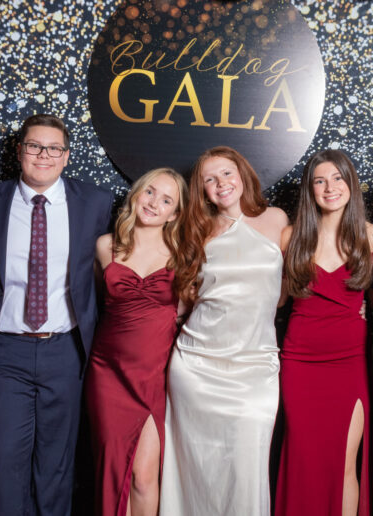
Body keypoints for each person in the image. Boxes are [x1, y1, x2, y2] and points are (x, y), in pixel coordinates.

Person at [0, 113, 113, 516]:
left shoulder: (96, 203)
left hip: (65, 351)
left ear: (66, 156)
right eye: (34, 146)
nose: (43, 155)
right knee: (5, 461)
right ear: (20, 152)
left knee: (56, 462)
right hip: (4, 353)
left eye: (53, 148)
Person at [159, 146, 288, 516]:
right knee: (194, 469)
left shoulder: (277, 220)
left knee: (247, 469)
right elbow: (185, 296)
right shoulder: (196, 230)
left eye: (227, 173)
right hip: (196, 366)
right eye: (209, 180)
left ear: (243, 174)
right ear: (202, 190)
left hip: (255, 369)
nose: (221, 184)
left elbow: (283, 293)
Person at [85, 167, 188, 516]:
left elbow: (194, 311)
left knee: (144, 477)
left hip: (153, 376)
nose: (154, 203)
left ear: (175, 213)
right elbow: (96, 303)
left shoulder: (183, 255)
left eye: (166, 200)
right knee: (114, 473)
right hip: (108, 373)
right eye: (149, 192)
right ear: (136, 194)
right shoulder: (105, 247)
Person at [275, 149, 372, 516]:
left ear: (351, 184)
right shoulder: (289, 237)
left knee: (344, 463)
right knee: (304, 459)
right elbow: (273, 299)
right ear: (309, 189)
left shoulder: (369, 237)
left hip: (350, 364)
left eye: (337, 178)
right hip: (300, 363)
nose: (329, 187)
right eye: (320, 180)